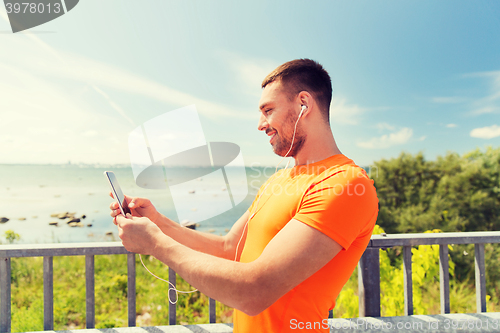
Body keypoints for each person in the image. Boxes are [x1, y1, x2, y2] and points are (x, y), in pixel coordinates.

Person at [111, 59, 379, 332]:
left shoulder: (345, 184)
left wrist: (155, 244)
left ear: (303, 105)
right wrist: (158, 223)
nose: (261, 124)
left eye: (268, 110)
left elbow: (255, 291)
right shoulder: (280, 180)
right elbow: (229, 249)